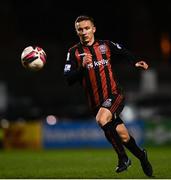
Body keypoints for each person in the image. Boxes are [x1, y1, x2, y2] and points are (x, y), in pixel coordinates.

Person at [63, 15, 153, 177]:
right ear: (77, 32)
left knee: (101, 119)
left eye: (87, 28)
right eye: (80, 29)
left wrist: (135, 61)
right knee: (124, 136)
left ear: (94, 29)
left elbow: (124, 51)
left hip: (114, 94)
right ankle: (141, 156)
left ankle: (123, 159)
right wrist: (82, 68)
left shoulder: (105, 45)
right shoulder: (73, 52)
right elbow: (69, 79)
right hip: (96, 102)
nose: (84, 32)